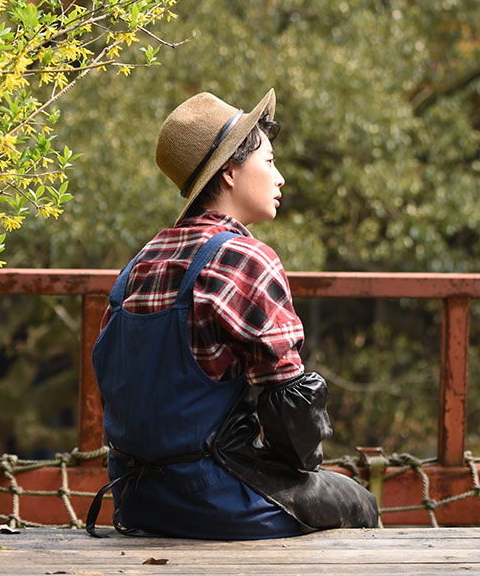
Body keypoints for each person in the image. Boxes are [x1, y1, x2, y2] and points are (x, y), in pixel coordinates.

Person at [85, 88, 379, 538]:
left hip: (135, 499)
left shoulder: (141, 262)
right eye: (269, 161)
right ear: (229, 171)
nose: (280, 178)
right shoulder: (246, 258)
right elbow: (293, 424)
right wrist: (303, 468)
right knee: (357, 501)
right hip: (215, 499)